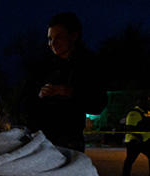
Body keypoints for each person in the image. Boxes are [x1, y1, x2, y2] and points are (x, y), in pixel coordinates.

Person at [20, 12, 107, 152]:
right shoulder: (41, 67)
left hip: (70, 144)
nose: (52, 43)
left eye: (58, 37)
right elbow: (24, 103)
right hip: (40, 141)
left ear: (73, 36)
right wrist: (39, 97)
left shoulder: (88, 65)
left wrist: (70, 92)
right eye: (49, 38)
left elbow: (99, 103)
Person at [122, 97, 150, 176]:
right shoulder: (134, 113)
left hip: (145, 141)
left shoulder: (146, 113)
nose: (148, 104)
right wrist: (140, 138)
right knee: (129, 161)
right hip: (134, 141)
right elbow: (130, 128)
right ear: (141, 103)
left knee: (129, 161)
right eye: (146, 102)